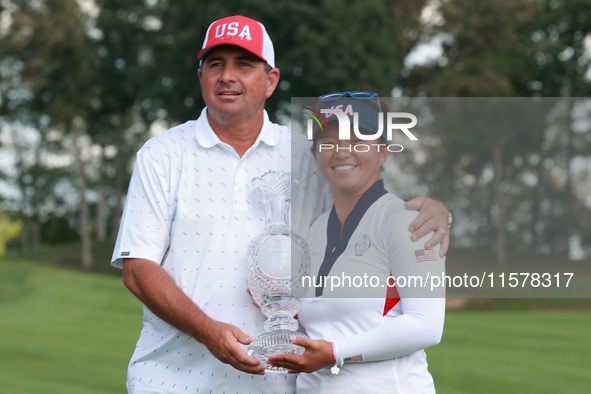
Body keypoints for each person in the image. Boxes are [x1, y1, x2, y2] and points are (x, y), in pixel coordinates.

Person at [111, 15, 450, 394]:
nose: (227, 76)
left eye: (244, 64)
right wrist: (209, 332)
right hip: (171, 380)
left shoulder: (306, 155)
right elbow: (138, 269)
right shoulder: (162, 154)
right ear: (201, 75)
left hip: (276, 384)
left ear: (270, 80)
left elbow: (367, 202)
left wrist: (434, 212)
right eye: (215, 64)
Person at [268, 92, 446, 393]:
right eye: (329, 142)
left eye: (357, 140)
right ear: (315, 154)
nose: (341, 152)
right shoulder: (316, 229)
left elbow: (426, 325)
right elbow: (328, 321)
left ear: (383, 151)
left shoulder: (408, 221)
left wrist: (335, 352)